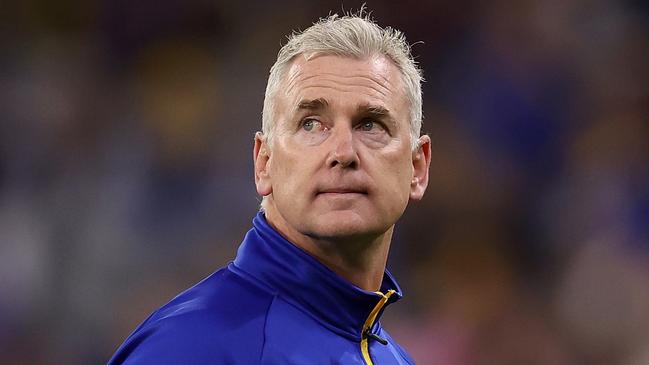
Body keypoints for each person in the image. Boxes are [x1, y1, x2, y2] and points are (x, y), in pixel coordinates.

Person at [108, 11, 431, 365]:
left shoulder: (393, 358)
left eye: (370, 124)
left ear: (417, 167)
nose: (343, 153)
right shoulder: (188, 348)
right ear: (264, 163)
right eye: (311, 124)